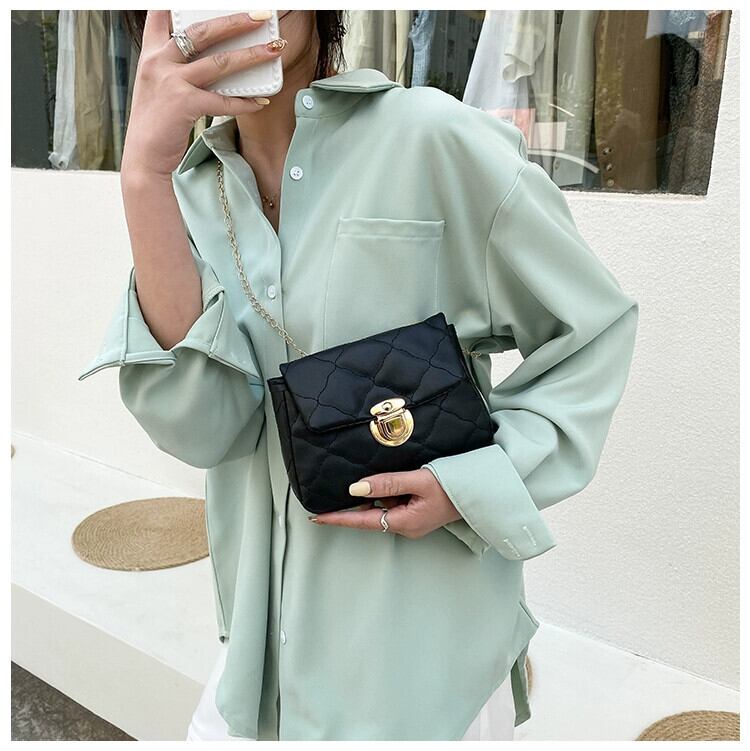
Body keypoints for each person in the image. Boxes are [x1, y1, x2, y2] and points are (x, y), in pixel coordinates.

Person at [78, 10, 639, 742]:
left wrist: (477, 480)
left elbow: (593, 327)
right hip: (264, 661)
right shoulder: (187, 195)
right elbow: (204, 430)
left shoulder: (432, 139)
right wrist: (143, 178)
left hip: (424, 660)